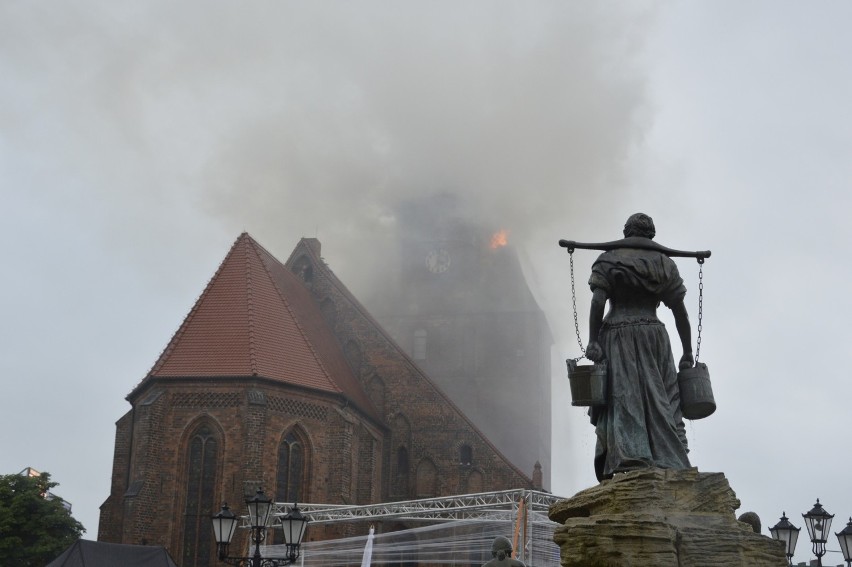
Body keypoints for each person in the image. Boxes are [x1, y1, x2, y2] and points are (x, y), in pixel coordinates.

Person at [585, 213, 693, 481]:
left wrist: (592, 340)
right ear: (651, 236)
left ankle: (629, 458)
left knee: (625, 397)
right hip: (653, 334)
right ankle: (667, 456)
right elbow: (681, 312)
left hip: (618, 335)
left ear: (625, 232)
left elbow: (598, 303)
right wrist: (687, 351)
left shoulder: (608, 260)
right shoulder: (664, 264)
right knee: (663, 398)